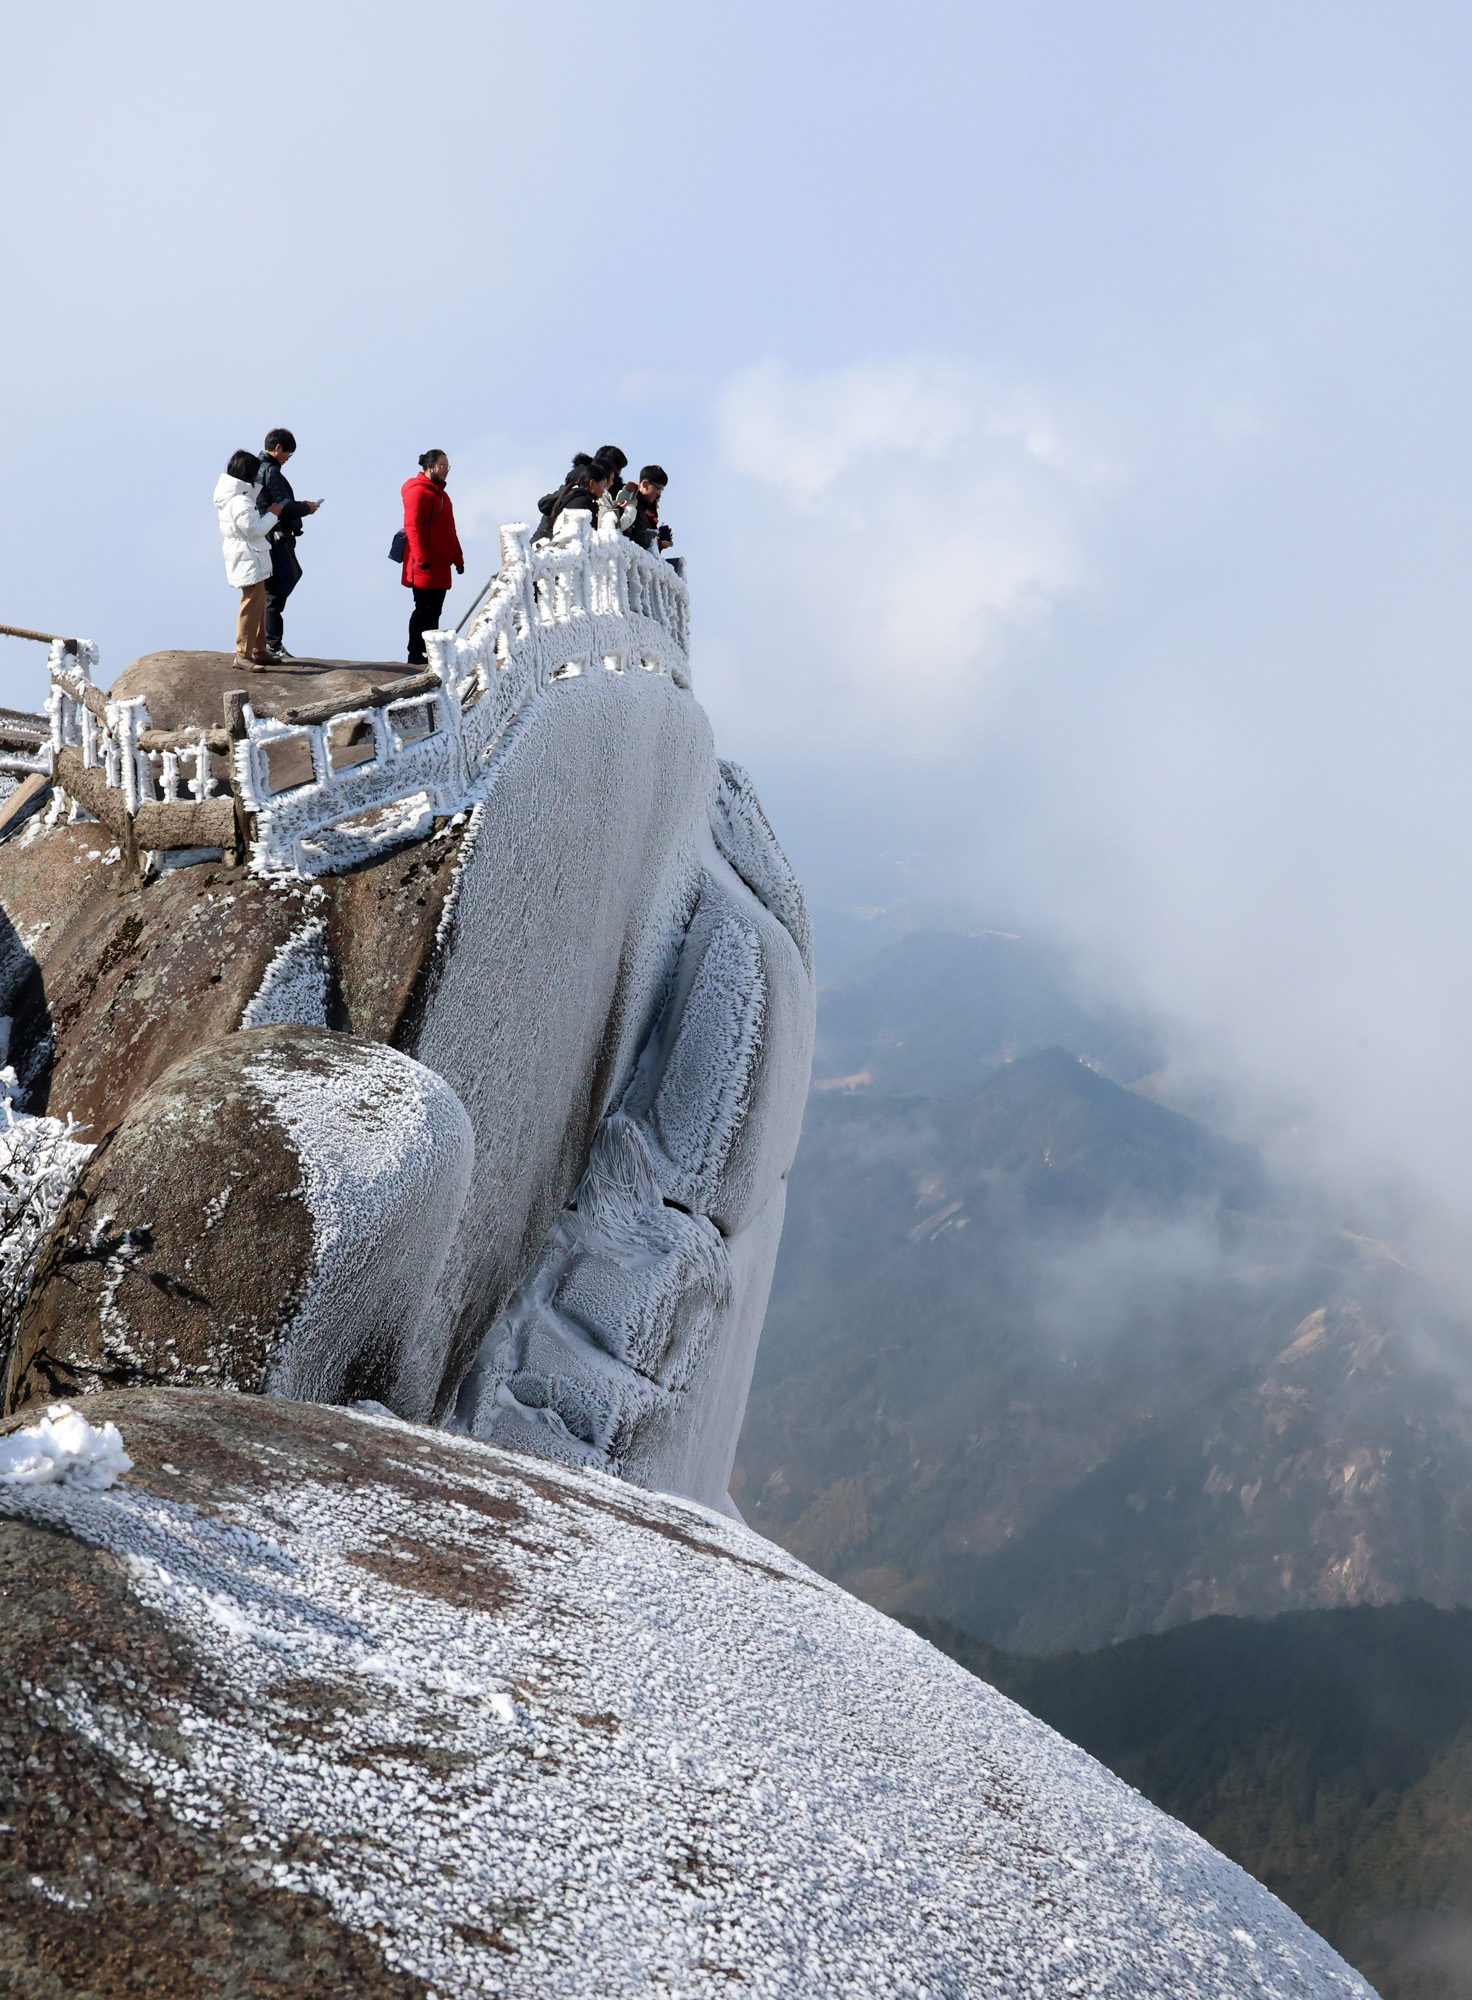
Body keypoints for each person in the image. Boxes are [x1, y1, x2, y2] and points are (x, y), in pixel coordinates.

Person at [256, 427, 321, 662]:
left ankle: (266, 641)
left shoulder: (258, 468)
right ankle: (272, 643)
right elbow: (283, 505)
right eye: (288, 454)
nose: (287, 459)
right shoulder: (271, 471)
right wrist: (306, 507)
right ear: (277, 448)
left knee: (276, 584)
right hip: (276, 535)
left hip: (266, 534)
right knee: (281, 583)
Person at [214, 448, 283, 668]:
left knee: (258, 605)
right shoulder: (239, 502)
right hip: (249, 558)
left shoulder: (234, 498)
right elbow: (254, 530)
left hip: (248, 557)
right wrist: (273, 514)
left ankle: (258, 648)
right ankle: (243, 654)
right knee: (251, 606)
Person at [401, 450, 464, 665]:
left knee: (435, 610)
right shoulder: (417, 492)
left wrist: (458, 557)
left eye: (447, 466)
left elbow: (450, 530)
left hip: (441, 565)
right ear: (429, 467)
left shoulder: (442, 495)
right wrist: (420, 557)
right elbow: (412, 527)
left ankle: (430, 653)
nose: (445, 471)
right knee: (423, 609)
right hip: (424, 564)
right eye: (442, 466)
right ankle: (415, 653)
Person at [531, 460, 612, 544]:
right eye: (603, 486)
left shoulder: (575, 497)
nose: (603, 491)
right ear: (592, 483)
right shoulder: (581, 503)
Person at [618, 465, 672, 553]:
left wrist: (659, 539)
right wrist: (658, 543)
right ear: (645, 484)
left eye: (661, 490)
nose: (658, 494)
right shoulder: (632, 501)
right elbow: (635, 536)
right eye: (658, 488)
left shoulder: (647, 506)